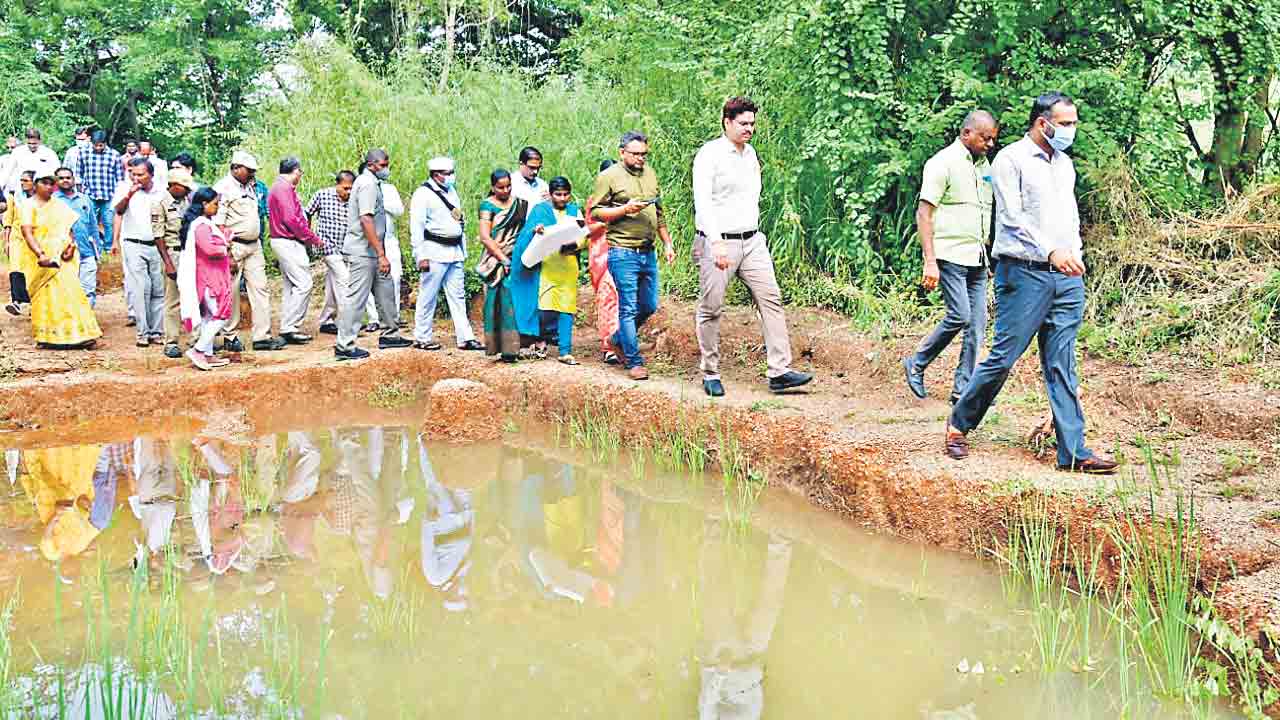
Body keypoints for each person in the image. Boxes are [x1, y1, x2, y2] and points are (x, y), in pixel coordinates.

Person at [945, 92, 1118, 475]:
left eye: (1074, 123)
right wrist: (1050, 251)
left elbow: (1069, 217)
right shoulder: (1011, 160)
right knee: (1004, 358)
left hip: (1067, 276)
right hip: (1023, 273)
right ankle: (959, 423)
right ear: (1043, 123)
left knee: (1062, 362)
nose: (1072, 130)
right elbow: (1012, 217)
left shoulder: (1065, 165)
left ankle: (1073, 451)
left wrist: (1074, 253)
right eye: (1066, 123)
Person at [692, 97, 813, 396]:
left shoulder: (750, 154)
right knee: (711, 307)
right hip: (719, 241)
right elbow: (703, 201)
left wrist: (756, 235)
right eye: (743, 123)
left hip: (752, 241)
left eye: (752, 124)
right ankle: (710, 372)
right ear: (727, 122)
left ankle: (779, 371)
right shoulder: (710, 154)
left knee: (771, 299)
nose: (749, 129)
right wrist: (716, 241)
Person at [903, 111, 999, 404]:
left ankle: (963, 389)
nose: (990, 144)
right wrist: (930, 260)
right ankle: (917, 362)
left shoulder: (984, 166)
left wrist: (988, 253)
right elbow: (924, 213)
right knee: (960, 315)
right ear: (966, 133)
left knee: (977, 325)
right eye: (985, 138)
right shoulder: (942, 163)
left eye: (993, 139)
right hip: (950, 255)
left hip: (977, 258)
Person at [589, 131, 675, 381]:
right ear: (622, 152)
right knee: (627, 307)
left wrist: (667, 243)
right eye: (635, 154)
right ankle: (633, 361)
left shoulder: (650, 174)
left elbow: (659, 212)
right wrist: (624, 209)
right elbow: (596, 212)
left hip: (648, 251)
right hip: (622, 251)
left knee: (648, 305)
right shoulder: (608, 176)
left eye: (644, 154)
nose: (640, 158)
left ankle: (617, 339)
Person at [515, 175, 601, 365]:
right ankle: (540, 340)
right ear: (550, 194)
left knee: (566, 308)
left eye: (566, 194)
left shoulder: (574, 210)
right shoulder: (540, 210)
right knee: (543, 307)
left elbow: (583, 235)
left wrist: (574, 245)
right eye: (558, 194)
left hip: (568, 265)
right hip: (546, 265)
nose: (562, 198)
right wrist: (536, 230)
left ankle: (565, 351)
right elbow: (527, 233)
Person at [335, 148, 411, 360]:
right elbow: (366, 219)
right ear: (371, 165)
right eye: (383, 165)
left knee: (386, 290)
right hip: (363, 251)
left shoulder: (372, 182)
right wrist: (380, 254)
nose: (387, 169)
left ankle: (390, 334)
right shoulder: (367, 184)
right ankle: (344, 345)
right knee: (357, 298)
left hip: (373, 250)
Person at [18, 169, 102, 348]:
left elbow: (69, 230)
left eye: (51, 183)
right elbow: (27, 233)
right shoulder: (27, 205)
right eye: (44, 183)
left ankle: (80, 336)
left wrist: (71, 247)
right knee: (46, 297)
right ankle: (48, 338)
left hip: (62, 258)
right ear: (35, 185)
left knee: (71, 293)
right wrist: (41, 255)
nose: (49, 187)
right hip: (40, 258)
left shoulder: (59, 205)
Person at [408, 156, 483, 351]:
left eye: (451, 173)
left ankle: (465, 337)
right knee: (428, 296)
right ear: (436, 175)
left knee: (458, 296)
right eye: (447, 174)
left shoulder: (451, 191)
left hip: (454, 250)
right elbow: (417, 227)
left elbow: (457, 220)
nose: (451, 176)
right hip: (433, 251)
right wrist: (420, 255)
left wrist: (463, 250)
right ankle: (422, 337)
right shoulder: (423, 194)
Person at [213, 151, 281, 352]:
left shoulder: (250, 186)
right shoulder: (223, 188)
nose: (252, 174)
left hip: (254, 245)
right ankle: (230, 336)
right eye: (249, 170)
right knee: (232, 291)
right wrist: (227, 254)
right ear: (235, 168)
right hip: (234, 245)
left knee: (261, 288)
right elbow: (218, 225)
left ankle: (262, 336)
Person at [267, 156, 324, 345]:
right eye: (300, 172)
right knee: (304, 283)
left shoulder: (279, 187)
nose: (300, 175)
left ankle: (288, 325)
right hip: (288, 240)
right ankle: (290, 327)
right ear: (296, 170)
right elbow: (291, 219)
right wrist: (311, 238)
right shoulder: (284, 188)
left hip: (283, 240)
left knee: (291, 286)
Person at [476, 169, 531, 362]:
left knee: (514, 301)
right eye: (501, 187)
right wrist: (502, 259)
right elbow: (485, 237)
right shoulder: (487, 205)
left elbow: (522, 232)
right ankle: (498, 347)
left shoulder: (519, 204)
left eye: (508, 186)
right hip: (495, 261)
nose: (505, 190)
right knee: (496, 302)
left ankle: (512, 349)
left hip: (516, 257)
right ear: (493, 187)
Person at [177, 187, 233, 370]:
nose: (218, 207)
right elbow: (209, 249)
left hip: (209, 275)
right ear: (204, 204)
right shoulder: (201, 225)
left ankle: (208, 354)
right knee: (221, 314)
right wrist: (225, 245)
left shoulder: (202, 223)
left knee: (209, 316)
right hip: (209, 278)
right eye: (215, 204)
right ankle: (198, 350)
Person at [114, 157, 167, 347]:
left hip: (157, 245)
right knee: (141, 288)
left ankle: (157, 331)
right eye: (133, 174)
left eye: (140, 175)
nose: (136, 178)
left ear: (151, 175)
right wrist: (129, 194)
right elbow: (118, 211)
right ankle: (142, 332)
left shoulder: (162, 191)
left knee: (158, 289)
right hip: (133, 244)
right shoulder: (124, 189)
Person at [153, 168, 198, 358]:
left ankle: (195, 338)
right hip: (173, 253)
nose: (187, 190)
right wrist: (168, 263)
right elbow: (158, 236)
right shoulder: (159, 203)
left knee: (192, 298)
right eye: (184, 187)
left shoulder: (187, 201)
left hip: (189, 252)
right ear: (173, 186)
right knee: (173, 300)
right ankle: (171, 341)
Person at [306, 170, 355, 335]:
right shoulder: (322, 195)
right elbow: (307, 213)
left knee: (333, 283)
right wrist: (309, 237)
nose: (348, 192)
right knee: (344, 279)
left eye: (351, 188)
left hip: (345, 247)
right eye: (345, 188)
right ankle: (347, 322)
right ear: (337, 185)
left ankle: (327, 319)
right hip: (327, 246)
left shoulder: (354, 199)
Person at [587, 160, 621, 364]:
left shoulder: (626, 199)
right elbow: (588, 229)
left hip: (624, 254)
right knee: (607, 299)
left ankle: (622, 341)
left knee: (623, 299)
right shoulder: (594, 201)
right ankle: (608, 346)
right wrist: (609, 220)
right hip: (602, 256)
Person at [54, 167, 99, 307]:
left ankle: (87, 318)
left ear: (73, 179)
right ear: (56, 181)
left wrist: (97, 249)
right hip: (63, 253)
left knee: (88, 290)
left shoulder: (85, 199)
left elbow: (93, 225)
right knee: (65, 290)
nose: (65, 180)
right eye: (61, 178)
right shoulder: (52, 200)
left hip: (86, 251)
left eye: (68, 177)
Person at [76, 130, 124, 254]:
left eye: (100, 145)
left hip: (109, 194)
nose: (98, 147)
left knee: (108, 222)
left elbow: (120, 178)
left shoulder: (114, 155)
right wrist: (80, 193)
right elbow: (79, 174)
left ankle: (108, 247)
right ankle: (93, 246)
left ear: (105, 143)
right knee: (89, 221)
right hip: (90, 193)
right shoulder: (84, 153)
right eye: (95, 145)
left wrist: (119, 195)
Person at [364, 179, 405, 328]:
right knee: (368, 280)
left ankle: (394, 316)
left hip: (389, 239)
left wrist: (379, 203)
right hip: (367, 240)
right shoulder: (361, 188)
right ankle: (373, 319)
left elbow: (399, 210)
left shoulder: (389, 188)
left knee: (395, 277)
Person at [3, 171, 34, 315]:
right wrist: (6, 241)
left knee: (31, 270)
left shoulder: (41, 198)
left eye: (26, 180)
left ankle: (33, 302)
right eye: (21, 180)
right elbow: (8, 220)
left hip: (34, 239)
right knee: (15, 268)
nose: (22, 183)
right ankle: (17, 302)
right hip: (16, 238)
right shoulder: (14, 196)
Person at [6, 128, 59, 193]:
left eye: (34, 143)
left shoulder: (49, 153)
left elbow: (56, 173)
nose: (32, 146)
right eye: (29, 143)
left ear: (40, 141)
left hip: (42, 190)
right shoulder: (17, 152)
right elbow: (7, 172)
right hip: (21, 190)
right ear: (25, 140)